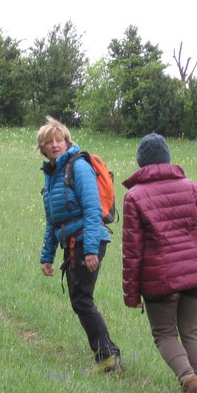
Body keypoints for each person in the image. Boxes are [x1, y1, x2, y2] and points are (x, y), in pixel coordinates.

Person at [121, 133, 197, 393]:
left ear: (141, 163)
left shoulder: (134, 196)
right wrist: (192, 251)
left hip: (160, 281)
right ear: (168, 158)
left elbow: (132, 251)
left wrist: (131, 293)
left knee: (164, 334)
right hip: (196, 274)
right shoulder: (192, 188)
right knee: (193, 334)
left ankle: (190, 380)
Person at [38, 117, 122, 373]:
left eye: (59, 140)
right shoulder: (52, 175)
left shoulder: (78, 167)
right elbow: (53, 221)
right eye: (49, 141)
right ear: (42, 147)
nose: (55, 144)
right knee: (80, 299)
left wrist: (90, 250)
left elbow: (92, 208)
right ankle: (111, 354)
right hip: (73, 242)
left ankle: (106, 357)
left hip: (88, 239)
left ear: (67, 141)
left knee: (81, 300)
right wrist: (47, 256)